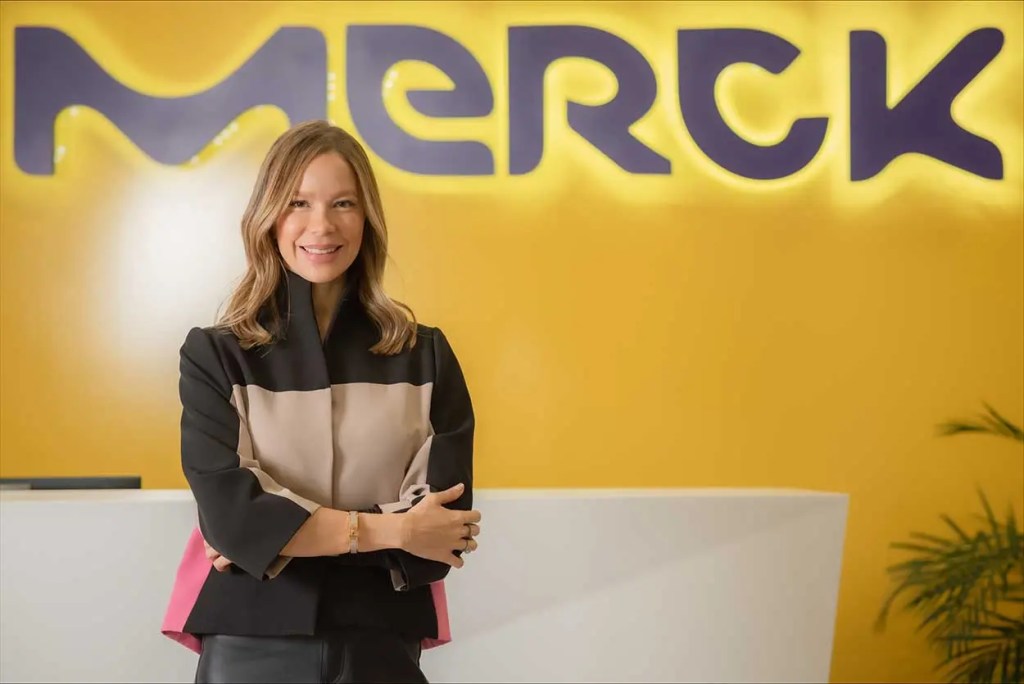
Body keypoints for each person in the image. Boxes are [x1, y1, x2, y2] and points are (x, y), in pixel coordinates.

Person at [161, 120, 480, 684]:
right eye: (298, 203)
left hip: (382, 642)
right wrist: (391, 529)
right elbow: (235, 521)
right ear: (268, 218)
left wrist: (276, 531)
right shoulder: (216, 355)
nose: (321, 225)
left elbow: (437, 542)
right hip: (249, 642)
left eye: (343, 203)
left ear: (368, 219)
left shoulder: (424, 356)